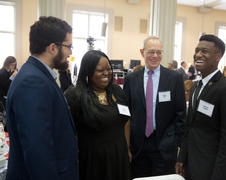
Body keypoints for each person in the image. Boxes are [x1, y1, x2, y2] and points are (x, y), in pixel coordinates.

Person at [6, 16, 79, 180]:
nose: (71, 52)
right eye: (69, 46)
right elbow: (37, 151)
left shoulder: (39, 76)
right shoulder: (33, 82)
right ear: (53, 48)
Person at [176, 34, 226, 180]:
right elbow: (190, 126)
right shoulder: (195, 87)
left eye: (204, 51)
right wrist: (182, 157)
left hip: (213, 170)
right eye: (196, 50)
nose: (198, 55)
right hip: (192, 164)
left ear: (218, 56)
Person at [123, 36, 186, 178]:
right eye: (151, 52)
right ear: (142, 52)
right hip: (138, 146)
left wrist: (177, 143)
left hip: (164, 146)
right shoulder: (131, 79)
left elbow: (181, 114)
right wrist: (127, 145)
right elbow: (127, 113)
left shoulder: (174, 78)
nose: (155, 56)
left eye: (159, 52)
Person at [64, 50, 131, 180]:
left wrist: (127, 148)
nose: (106, 73)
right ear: (88, 71)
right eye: (100, 70)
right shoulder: (75, 96)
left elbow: (126, 120)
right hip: (92, 160)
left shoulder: (117, 91)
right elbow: (64, 131)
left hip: (119, 155)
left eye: (108, 69)